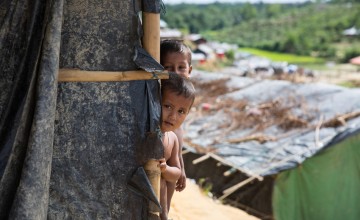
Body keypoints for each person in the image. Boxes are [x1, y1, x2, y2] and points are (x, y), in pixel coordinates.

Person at [158, 72, 195, 220]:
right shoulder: (145, 130)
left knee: (162, 181)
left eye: (181, 111)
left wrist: (165, 169)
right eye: (167, 106)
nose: (173, 116)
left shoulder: (172, 139)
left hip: (159, 208)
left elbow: (176, 173)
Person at [160, 40, 192, 198]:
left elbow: (177, 145)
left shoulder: (186, 95)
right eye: (168, 67)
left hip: (172, 162)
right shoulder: (158, 93)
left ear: (189, 70)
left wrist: (182, 170)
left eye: (181, 67)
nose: (175, 73)